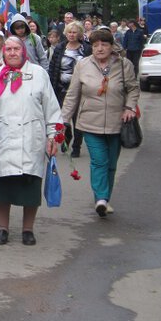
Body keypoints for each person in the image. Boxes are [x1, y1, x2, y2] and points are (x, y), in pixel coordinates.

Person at [0, 37, 62, 245]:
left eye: (16, 49)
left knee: (30, 186)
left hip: (31, 139)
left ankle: (27, 229)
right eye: (8, 49)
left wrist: (53, 136)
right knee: (2, 185)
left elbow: (51, 108)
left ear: (24, 51)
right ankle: (2, 228)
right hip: (1, 139)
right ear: (3, 53)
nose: (12, 53)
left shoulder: (39, 75)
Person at [61, 28, 139, 216]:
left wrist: (129, 107)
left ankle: (104, 198)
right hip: (89, 122)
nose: (100, 48)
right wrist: (62, 120)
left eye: (104, 45)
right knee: (99, 161)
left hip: (116, 122)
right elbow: (72, 94)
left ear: (112, 47)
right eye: (95, 45)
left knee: (111, 164)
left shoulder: (123, 65)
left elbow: (133, 89)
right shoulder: (83, 65)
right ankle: (101, 198)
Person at [48, 21, 92, 158]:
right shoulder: (60, 48)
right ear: (65, 33)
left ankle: (76, 147)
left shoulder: (86, 49)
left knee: (77, 119)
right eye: (69, 32)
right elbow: (53, 67)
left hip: (81, 89)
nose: (72, 35)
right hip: (61, 88)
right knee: (63, 118)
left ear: (79, 34)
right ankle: (67, 137)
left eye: (74, 32)